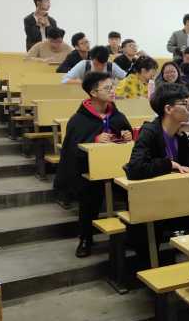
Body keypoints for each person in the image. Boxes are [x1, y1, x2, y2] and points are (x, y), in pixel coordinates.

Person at [124, 83, 189, 260]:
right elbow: (135, 168)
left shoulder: (179, 134)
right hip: (151, 201)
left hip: (175, 196)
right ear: (168, 109)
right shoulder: (150, 131)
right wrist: (170, 164)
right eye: (184, 104)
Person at [54, 72, 132, 257]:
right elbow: (72, 149)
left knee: (134, 191)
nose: (112, 91)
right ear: (93, 92)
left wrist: (127, 135)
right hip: (89, 172)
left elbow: (125, 132)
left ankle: (133, 235)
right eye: (107, 88)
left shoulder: (116, 114)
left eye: (112, 87)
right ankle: (85, 238)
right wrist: (94, 139)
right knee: (89, 198)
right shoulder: (79, 119)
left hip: (117, 169)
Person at [62, 45, 127, 84]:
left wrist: (116, 83)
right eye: (96, 64)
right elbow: (65, 80)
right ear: (91, 58)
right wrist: (82, 82)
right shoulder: (83, 65)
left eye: (103, 64)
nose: (100, 67)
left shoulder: (112, 66)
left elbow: (127, 78)